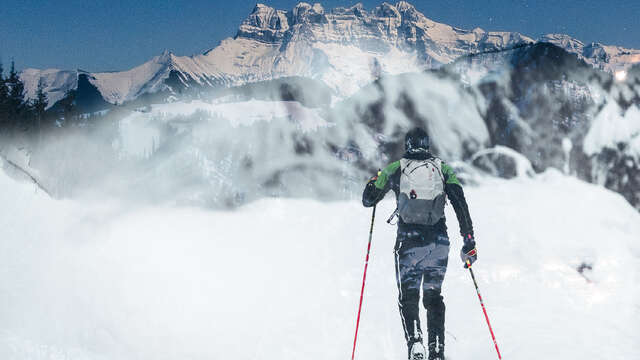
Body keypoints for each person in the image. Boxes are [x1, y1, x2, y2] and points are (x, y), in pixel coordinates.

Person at [362, 127, 477, 360]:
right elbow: (459, 202)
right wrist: (468, 240)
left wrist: (373, 182)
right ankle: (436, 350)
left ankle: (415, 342)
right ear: (428, 145)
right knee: (433, 296)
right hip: (439, 243)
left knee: (409, 296)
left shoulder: (397, 168)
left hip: (408, 244)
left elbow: (368, 199)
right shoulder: (442, 168)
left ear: (407, 145)